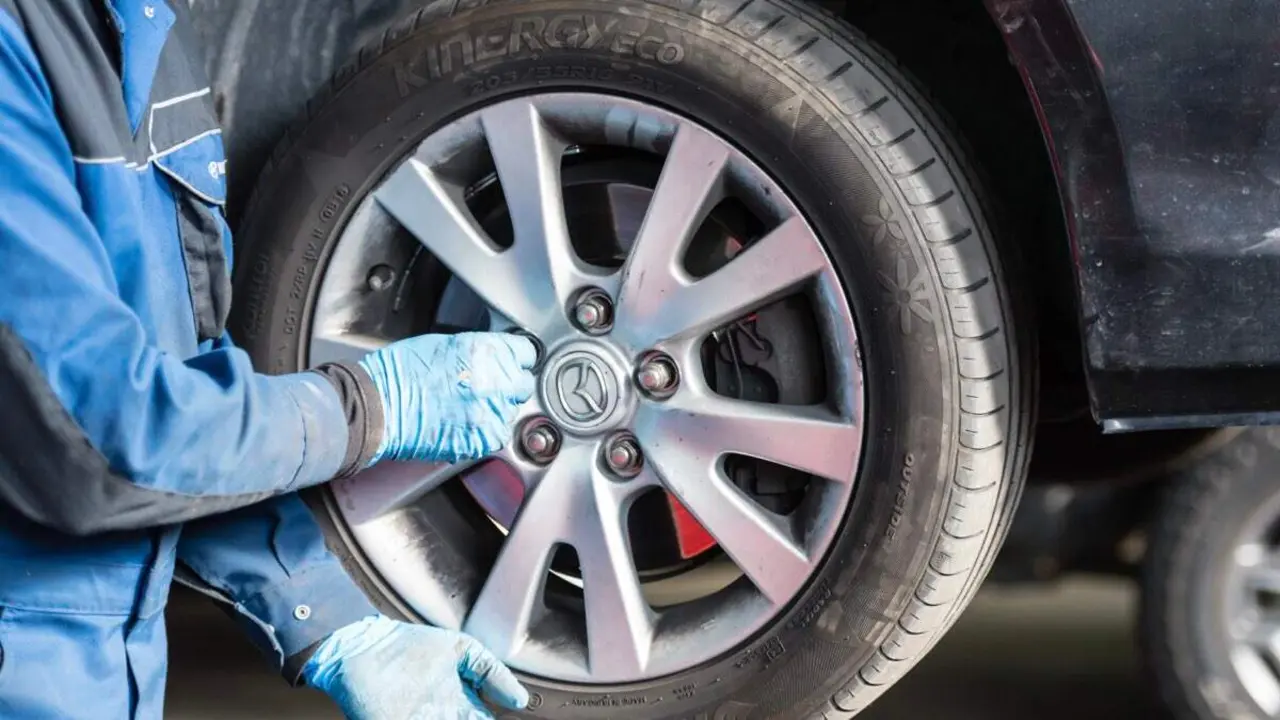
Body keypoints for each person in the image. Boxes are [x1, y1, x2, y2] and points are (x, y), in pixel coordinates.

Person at [0, 1, 536, 718]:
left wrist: (325, 616)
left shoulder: (149, 31)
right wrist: (371, 408)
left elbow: (185, 394)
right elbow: (98, 444)